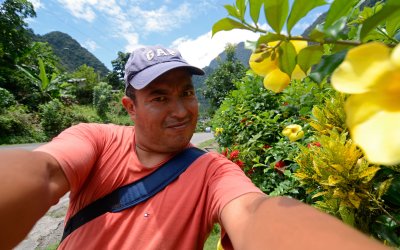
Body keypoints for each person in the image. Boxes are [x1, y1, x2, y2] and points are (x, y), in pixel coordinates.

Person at [0, 46, 388, 250]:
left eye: (186, 93)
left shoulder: (212, 171)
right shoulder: (96, 140)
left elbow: (253, 213)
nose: (182, 110)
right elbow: (44, 171)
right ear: (129, 107)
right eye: (160, 97)